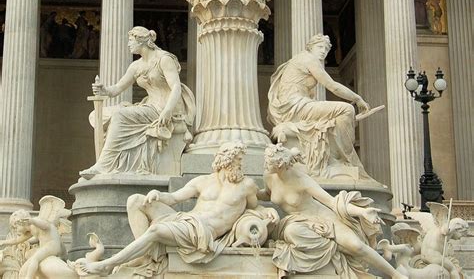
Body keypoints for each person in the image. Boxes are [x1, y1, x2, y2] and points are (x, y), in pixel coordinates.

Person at [77, 142, 275, 275]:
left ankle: (107, 264)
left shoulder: (246, 185)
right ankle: (146, 258)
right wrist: (158, 194)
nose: (242, 164)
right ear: (226, 160)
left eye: (241, 159)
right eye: (239, 159)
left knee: (155, 230)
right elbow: (173, 198)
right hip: (186, 220)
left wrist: (267, 212)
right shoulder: (203, 181)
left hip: (202, 232)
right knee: (135, 201)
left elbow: (254, 207)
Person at [261, 145, 406, 279]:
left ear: (280, 166)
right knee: (291, 231)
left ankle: (394, 274)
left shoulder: (302, 180)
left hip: (321, 217)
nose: (265, 165)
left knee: (356, 246)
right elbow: (267, 194)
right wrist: (245, 194)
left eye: (269, 163)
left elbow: (332, 202)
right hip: (296, 221)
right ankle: (338, 248)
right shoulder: (268, 177)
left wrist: (362, 212)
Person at [80, 26, 195, 177]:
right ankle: (115, 164)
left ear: (141, 41)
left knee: (120, 116)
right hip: (148, 107)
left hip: (165, 110)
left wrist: (167, 111)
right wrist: (103, 90)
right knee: (99, 115)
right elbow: (117, 89)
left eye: (130, 41)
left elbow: (176, 88)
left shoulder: (164, 59)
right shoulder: (136, 66)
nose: (128, 44)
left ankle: (104, 165)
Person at [267, 34, 372, 179]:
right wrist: (357, 98)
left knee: (336, 116)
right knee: (347, 109)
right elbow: (332, 86)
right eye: (320, 47)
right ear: (310, 47)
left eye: (326, 49)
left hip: (295, 106)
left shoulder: (299, 59)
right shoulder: (309, 59)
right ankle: (344, 159)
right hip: (296, 107)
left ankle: (338, 158)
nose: (323, 51)